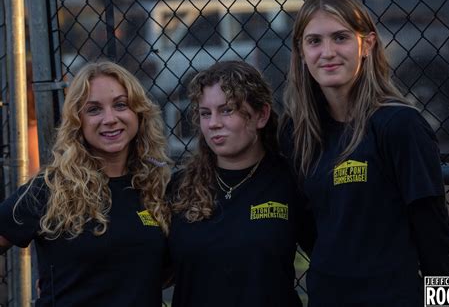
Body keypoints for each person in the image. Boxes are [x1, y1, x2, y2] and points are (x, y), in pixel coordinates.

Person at [279, 0, 449, 306]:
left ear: (368, 45)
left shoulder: (401, 124)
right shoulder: (297, 133)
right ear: (301, 52)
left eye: (341, 37)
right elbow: (310, 231)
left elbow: (437, 239)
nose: (328, 52)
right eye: (315, 41)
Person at [0, 61, 171, 306]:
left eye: (120, 105)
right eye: (93, 110)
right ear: (77, 121)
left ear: (138, 113)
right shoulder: (50, 189)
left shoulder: (156, 187)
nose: (110, 118)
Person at [167, 60, 314, 307]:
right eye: (205, 113)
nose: (213, 123)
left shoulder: (290, 181)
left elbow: (330, 255)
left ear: (261, 115)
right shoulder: (181, 186)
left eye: (227, 110)